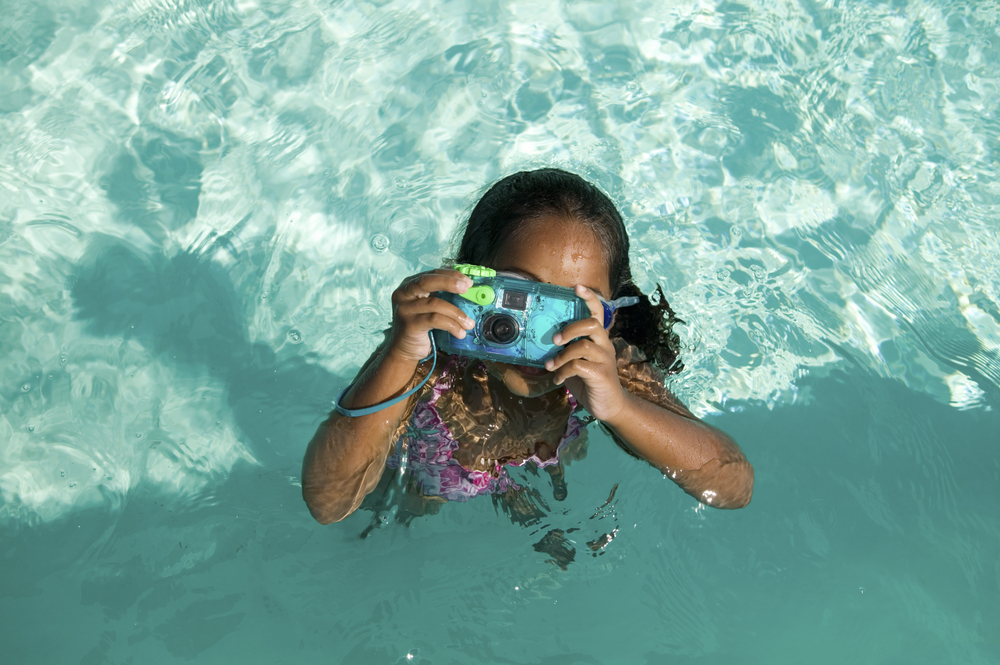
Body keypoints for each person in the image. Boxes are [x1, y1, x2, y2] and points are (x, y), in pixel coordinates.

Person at [302, 168, 753, 536]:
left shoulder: (605, 362)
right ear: (469, 279)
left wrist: (619, 407)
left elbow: (734, 487)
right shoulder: (427, 353)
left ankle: (519, 502)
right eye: (518, 293)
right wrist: (401, 354)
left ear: (610, 308)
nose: (542, 333)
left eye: (572, 308)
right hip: (434, 481)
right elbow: (328, 503)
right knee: (399, 513)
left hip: (535, 471)